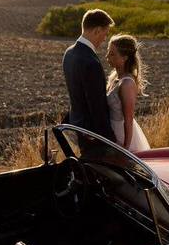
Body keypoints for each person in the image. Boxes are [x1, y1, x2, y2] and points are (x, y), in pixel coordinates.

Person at [62, 9, 117, 142]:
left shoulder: (69, 53)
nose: (105, 39)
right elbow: (96, 105)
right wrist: (109, 139)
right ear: (97, 30)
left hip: (76, 124)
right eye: (105, 34)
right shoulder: (91, 62)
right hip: (91, 133)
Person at [104, 34, 151, 152]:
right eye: (108, 52)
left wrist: (126, 147)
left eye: (112, 54)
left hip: (122, 134)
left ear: (124, 57)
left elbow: (128, 119)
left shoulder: (127, 84)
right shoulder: (114, 78)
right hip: (112, 131)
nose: (107, 56)